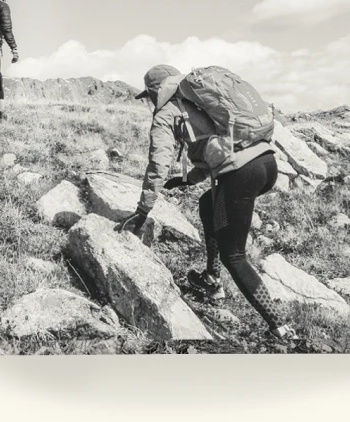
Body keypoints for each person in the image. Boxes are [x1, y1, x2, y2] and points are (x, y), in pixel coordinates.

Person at [115, 64, 298, 342]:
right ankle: (212, 280)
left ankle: (280, 328)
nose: (151, 101)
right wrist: (189, 179)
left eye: (150, 95)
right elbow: (219, 145)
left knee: (234, 255)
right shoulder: (198, 100)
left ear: (154, 91)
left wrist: (142, 211)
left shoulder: (167, 112)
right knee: (207, 204)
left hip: (242, 174)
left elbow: (158, 163)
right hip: (266, 164)